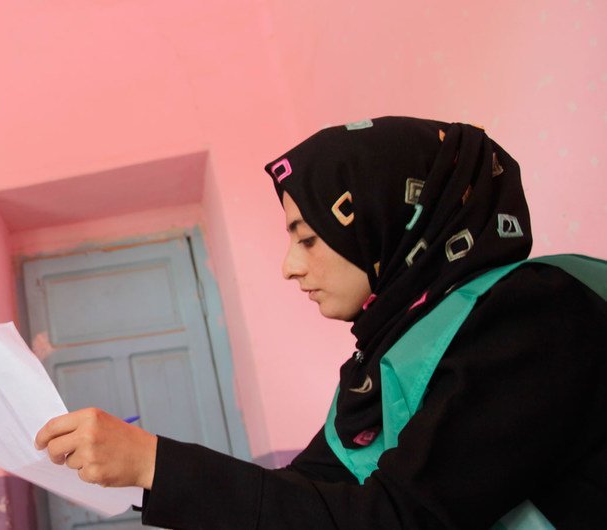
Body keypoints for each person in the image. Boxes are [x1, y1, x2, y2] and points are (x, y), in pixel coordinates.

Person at [35, 117, 607, 528]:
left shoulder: (534, 314)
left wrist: (153, 460)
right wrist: (147, 470)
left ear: (391, 219)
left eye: (308, 239)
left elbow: (400, 517)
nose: (290, 268)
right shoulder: (379, 366)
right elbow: (310, 495)